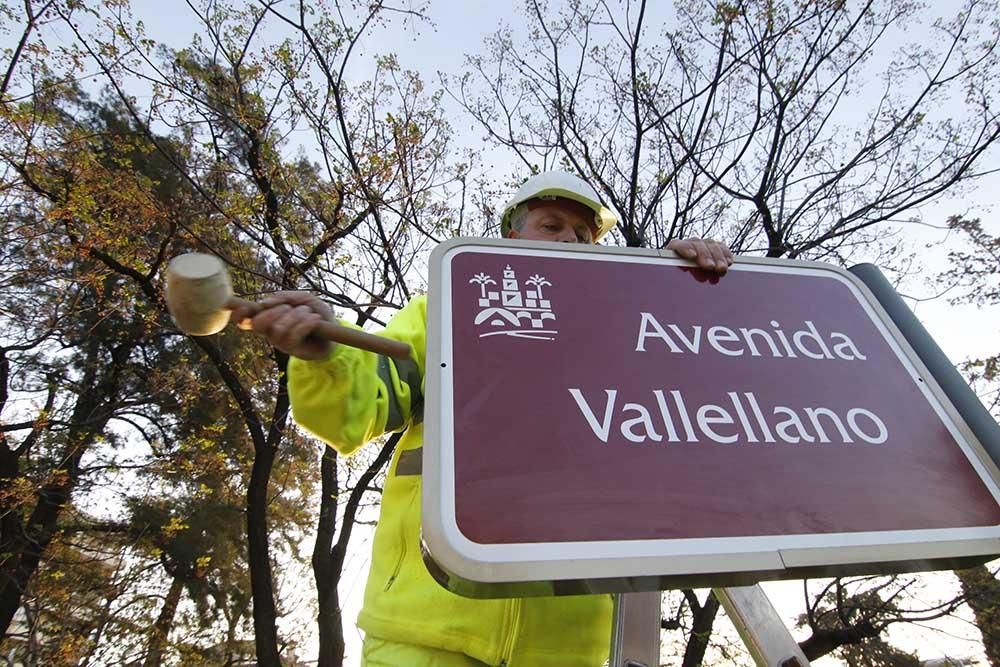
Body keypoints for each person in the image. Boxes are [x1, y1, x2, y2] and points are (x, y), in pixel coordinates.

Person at [235, 172, 733, 666]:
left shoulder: (624, 334)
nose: (568, 242)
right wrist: (327, 359)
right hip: (424, 629)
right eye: (552, 226)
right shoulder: (446, 309)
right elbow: (353, 412)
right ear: (511, 238)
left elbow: (700, 414)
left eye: (582, 237)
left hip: (567, 645)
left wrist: (680, 290)